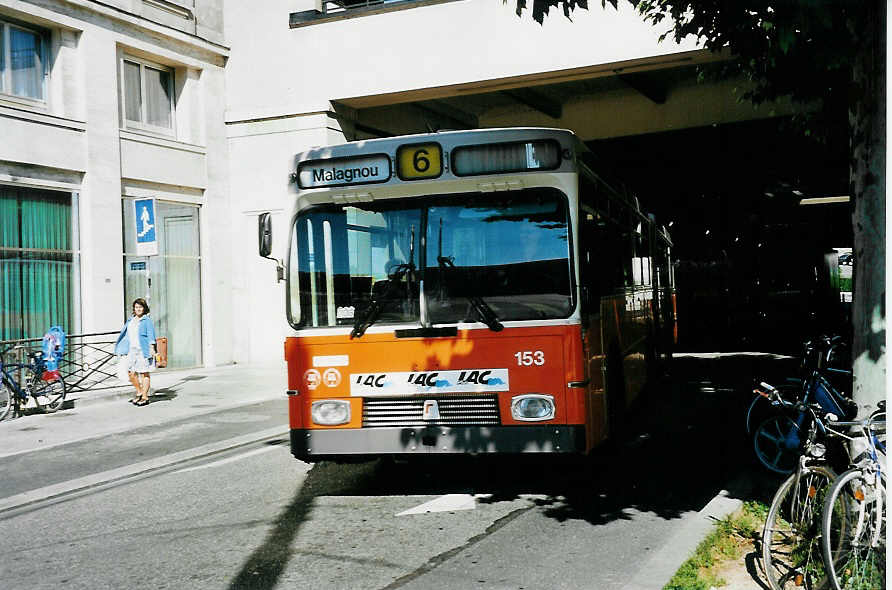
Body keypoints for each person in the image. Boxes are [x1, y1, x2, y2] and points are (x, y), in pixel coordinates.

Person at [114, 298, 157, 406]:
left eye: (140, 307)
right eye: (136, 307)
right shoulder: (131, 320)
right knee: (131, 373)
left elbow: (151, 335)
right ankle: (139, 391)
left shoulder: (146, 320)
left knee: (144, 373)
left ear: (144, 308)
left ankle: (145, 397)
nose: (138, 309)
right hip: (132, 349)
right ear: (134, 308)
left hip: (143, 349)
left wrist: (152, 348)